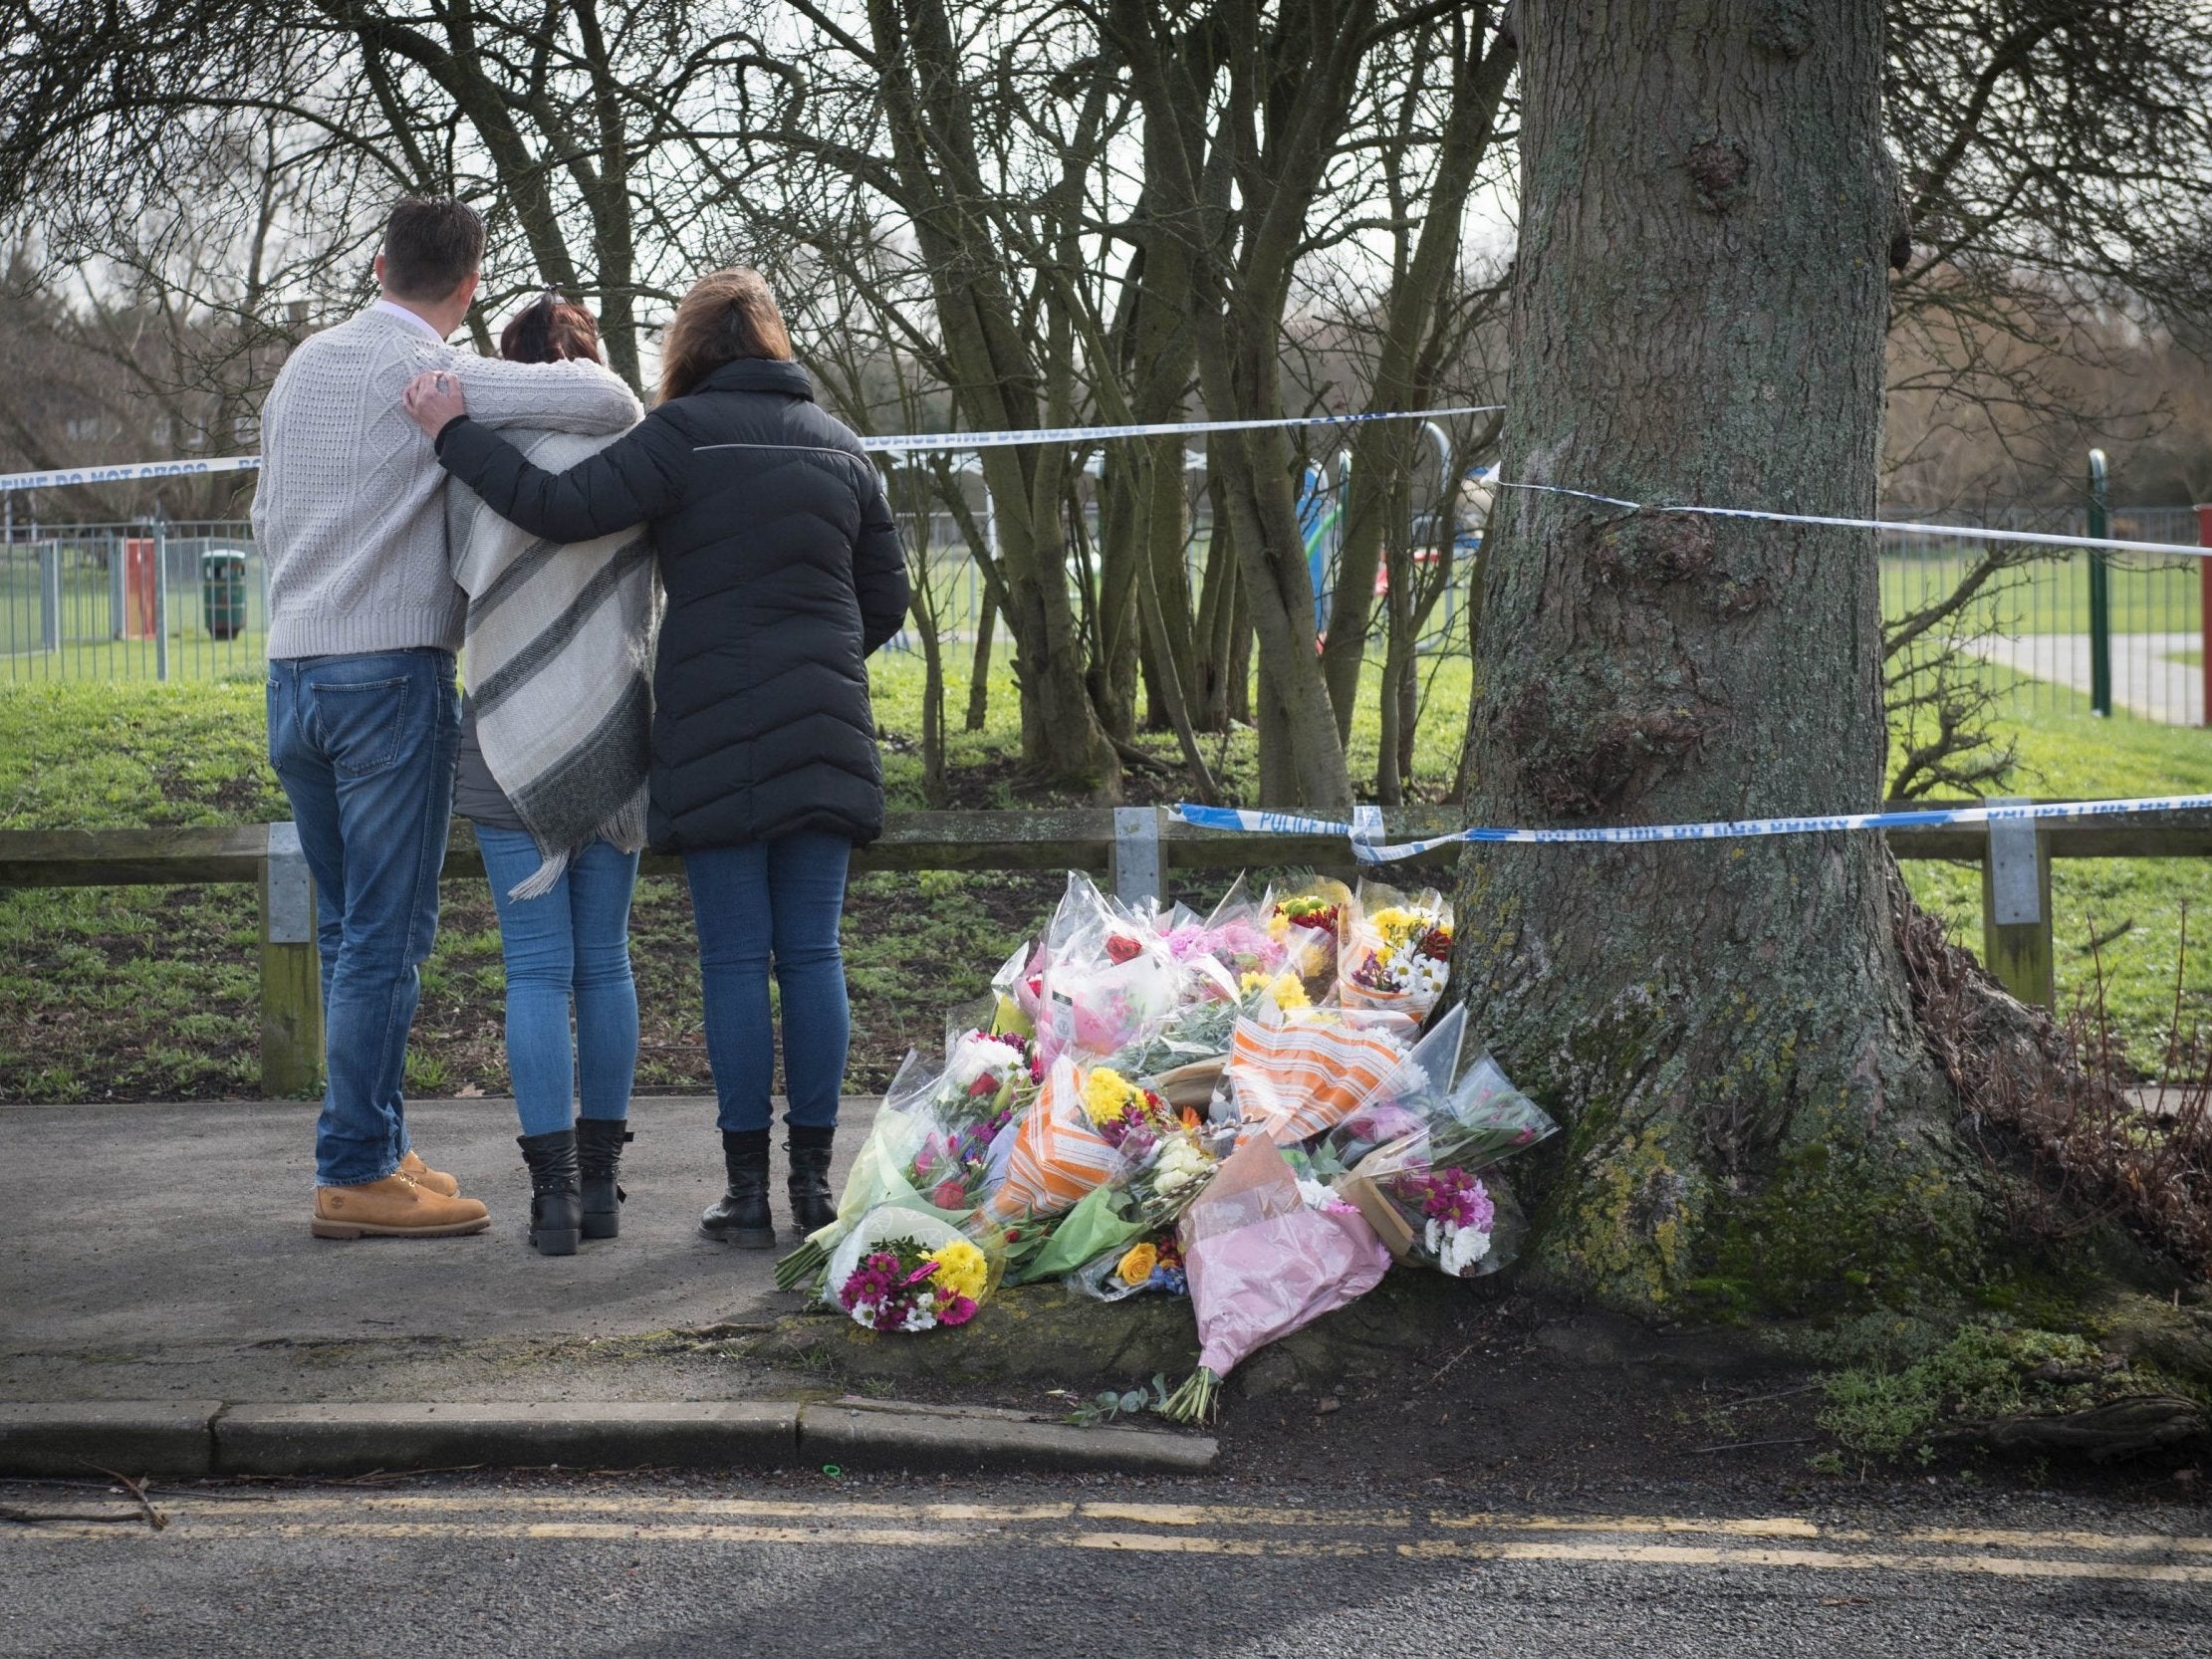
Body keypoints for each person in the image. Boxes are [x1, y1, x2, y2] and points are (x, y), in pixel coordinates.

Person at [402, 268, 909, 1247]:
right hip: (828, 729)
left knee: (730, 959)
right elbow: (881, 601)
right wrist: (820, 659)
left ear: (687, 350)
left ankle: (744, 1197)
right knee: (812, 953)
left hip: (713, 732)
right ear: (775, 342)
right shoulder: (844, 451)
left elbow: (553, 506)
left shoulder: (677, 440)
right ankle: (814, 1189)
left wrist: (456, 436)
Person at [256, 197, 641, 1241]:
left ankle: (371, 1143)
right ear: (470, 285)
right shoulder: (423, 371)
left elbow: (267, 509)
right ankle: (353, 1172)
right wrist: (456, 400)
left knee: (347, 930)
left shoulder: (303, 365)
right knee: (387, 933)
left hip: (291, 671)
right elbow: (607, 402)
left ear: (378, 263)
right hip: (384, 675)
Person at [448, 293, 651, 1257]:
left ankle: (552, 1205)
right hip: (615, 731)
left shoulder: (475, 458)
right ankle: (605, 1190)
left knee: (536, 970)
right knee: (604, 961)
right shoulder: (630, 444)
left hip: (504, 738)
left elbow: (453, 584)